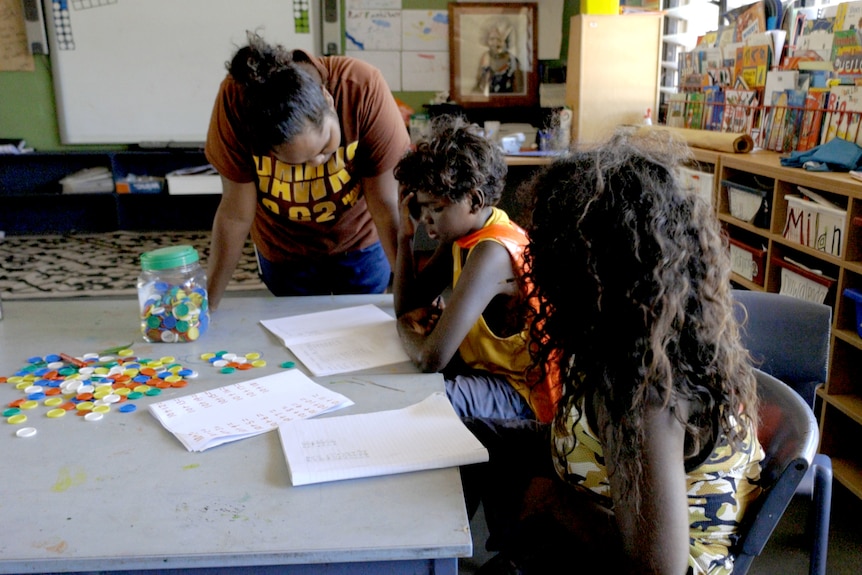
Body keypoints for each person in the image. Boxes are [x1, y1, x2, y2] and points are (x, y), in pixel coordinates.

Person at [462, 130, 765, 574]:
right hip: (604, 517)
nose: (534, 266)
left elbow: (656, 568)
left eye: (546, 252)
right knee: (481, 441)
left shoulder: (644, 390)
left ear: (588, 271)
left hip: (643, 562)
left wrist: (556, 503)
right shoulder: (635, 331)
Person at [204, 32, 410, 309]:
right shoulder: (237, 103)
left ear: (328, 99)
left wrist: (414, 299)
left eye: (325, 146)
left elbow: (386, 207)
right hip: (283, 251)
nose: (317, 164)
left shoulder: (361, 87)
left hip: (360, 244)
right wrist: (207, 303)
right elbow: (234, 215)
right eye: (295, 163)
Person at [392, 115, 559, 422]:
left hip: (522, 392)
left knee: (425, 404)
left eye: (437, 208)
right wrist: (405, 237)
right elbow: (408, 304)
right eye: (422, 207)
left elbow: (430, 358)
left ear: (474, 200)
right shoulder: (461, 236)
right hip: (487, 371)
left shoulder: (491, 252)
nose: (427, 218)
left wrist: (404, 327)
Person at [474, 17, 523, 95]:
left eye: (499, 39)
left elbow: (520, 92)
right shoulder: (484, 58)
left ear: (506, 41)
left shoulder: (513, 61)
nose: (495, 43)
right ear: (486, 40)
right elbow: (478, 85)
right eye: (492, 39)